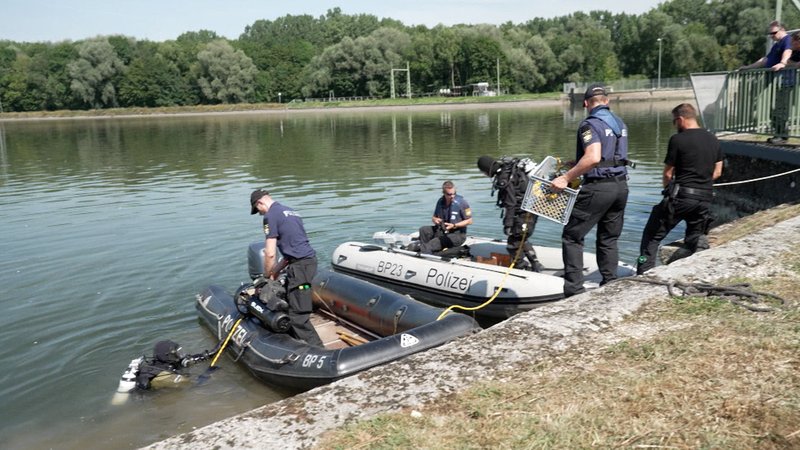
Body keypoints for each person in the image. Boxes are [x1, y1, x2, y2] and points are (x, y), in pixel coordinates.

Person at [551, 83, 630, 298]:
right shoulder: (620, 123)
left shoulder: (589, 124)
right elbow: (609, 155)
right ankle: (610, 282)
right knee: (608, 238)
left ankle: (574, 290)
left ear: (586, 104)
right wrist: (576, 163)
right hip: (621, 187)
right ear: (607, 101)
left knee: (572, 236)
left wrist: (566, 178)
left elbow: (594, 157)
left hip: (599, 188)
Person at [636, 103, 724, 275]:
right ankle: (697, 265)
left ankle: (644, 271)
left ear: (681, 119)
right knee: (694, 236)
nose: (675, 126)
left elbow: (668, 174)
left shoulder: (678, 140)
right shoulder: (713, 139)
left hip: (680, 198)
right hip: (704, 198)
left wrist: (669, 191)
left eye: (674, 122)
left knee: (652, 236)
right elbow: (718, 172)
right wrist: (701, 182)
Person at [250, 189, 323, 347]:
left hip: (300, 267)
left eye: (258, 210)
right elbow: (293, 248)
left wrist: (266, 276)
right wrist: (275, 272)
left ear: (260, 203)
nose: (260, 214)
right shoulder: (290, 211)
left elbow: (270, 253)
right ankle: (295, 341)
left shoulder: (270, 216)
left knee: (297, 316)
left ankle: (320, 351)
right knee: (291, 301)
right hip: (307, 262)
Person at [741, 21, 794, 144]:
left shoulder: (787, 40)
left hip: (784, 81)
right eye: (770, 33)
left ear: (782, 30)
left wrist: (783, 63)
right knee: (774, 109)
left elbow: (788, 51)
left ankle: (781, 136)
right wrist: (748, 67)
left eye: (774, 33)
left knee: (779, 109)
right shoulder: (776, 45)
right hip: (776, 81)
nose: (772, 35)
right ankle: (779, 134)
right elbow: (765, 60)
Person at [411, 181, 472, 254]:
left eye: (454, 193)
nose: (452, 196)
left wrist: (454, 225)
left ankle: (423, 250)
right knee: (423, 230)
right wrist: (435, 220)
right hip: (442, 230)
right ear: (444, 193)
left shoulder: (462, 203)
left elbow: (470, 221)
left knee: (436, 241)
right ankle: (426, 249)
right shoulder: (440, 201)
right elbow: (434, 217)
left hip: (457, 235)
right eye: (449, 194)